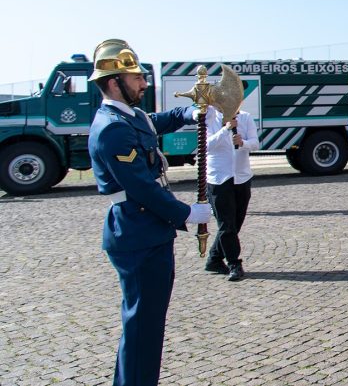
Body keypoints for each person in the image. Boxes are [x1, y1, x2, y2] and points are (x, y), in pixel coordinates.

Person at [87, 39, 212, 386]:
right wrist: (186, 213)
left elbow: (154, 123)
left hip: (146, 231)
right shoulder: (112, 127)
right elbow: (141, 186)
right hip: (137, 232)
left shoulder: (129, 117)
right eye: (136, 78)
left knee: (146, 326)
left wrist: (189, 113)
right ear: (114, 83)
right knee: (143, 327)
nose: (143, 84)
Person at [203, 105, 259, 282]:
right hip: (219, 178)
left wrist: (243, 143)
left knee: (235, 223)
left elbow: (255, 143)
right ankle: (234, 263)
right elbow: (206, 146)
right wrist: (225, 129)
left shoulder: (246, 117)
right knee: (226, 224)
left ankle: (214, 259)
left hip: (241, 177)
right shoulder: (210, 118)